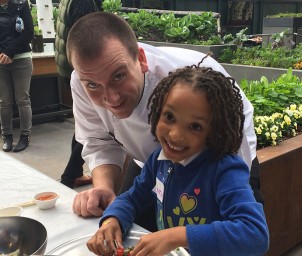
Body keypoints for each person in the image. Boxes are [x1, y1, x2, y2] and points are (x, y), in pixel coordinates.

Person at [67, 12, 260, 222]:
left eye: (119, 76)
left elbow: (247, 229)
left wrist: (179, 236)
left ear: (140, 59)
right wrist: (103, 188)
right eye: (93, 85)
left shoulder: (188, 84)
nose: (111, 98)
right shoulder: (83, 78)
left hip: (213, 162)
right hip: (151, 165)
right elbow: (98, 141)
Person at [86, 62, 269, 256]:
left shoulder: (226, 169)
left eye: (195, 127)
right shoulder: (158, 160)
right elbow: (131, 199)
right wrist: (113, 219)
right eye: (169, 117)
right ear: (157, 112)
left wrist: (176, 236)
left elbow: (255, 234)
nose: (175, 135)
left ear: (214, 131)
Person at [55, 0, 102, 188]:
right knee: (92, 126)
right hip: (85, 72)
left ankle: (74, 173)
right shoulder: (84, 2)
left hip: (69, 68)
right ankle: (68, 179)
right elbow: (88, 40)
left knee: (83, 124)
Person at [0, 0, 33, 152]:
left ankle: (25, 136)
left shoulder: (21, 4)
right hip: (0, 60)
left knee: (22, 99)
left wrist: (9, 52)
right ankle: (7, 135)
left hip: (22, 58)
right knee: (4, 101)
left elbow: (29, 32)